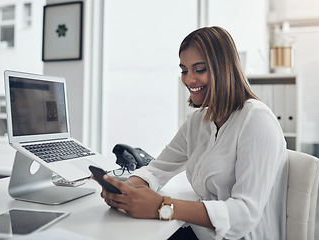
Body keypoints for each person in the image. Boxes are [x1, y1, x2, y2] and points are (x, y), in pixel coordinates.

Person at [96, 26, 288, 240]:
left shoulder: (256, 119)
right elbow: (156, 170)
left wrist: (162, 207)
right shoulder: (197, 121)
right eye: (184, 70)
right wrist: (127, 189)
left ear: (223, 69)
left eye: (199, 69)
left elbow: (244, 214)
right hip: (204, 234)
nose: (188, 80)